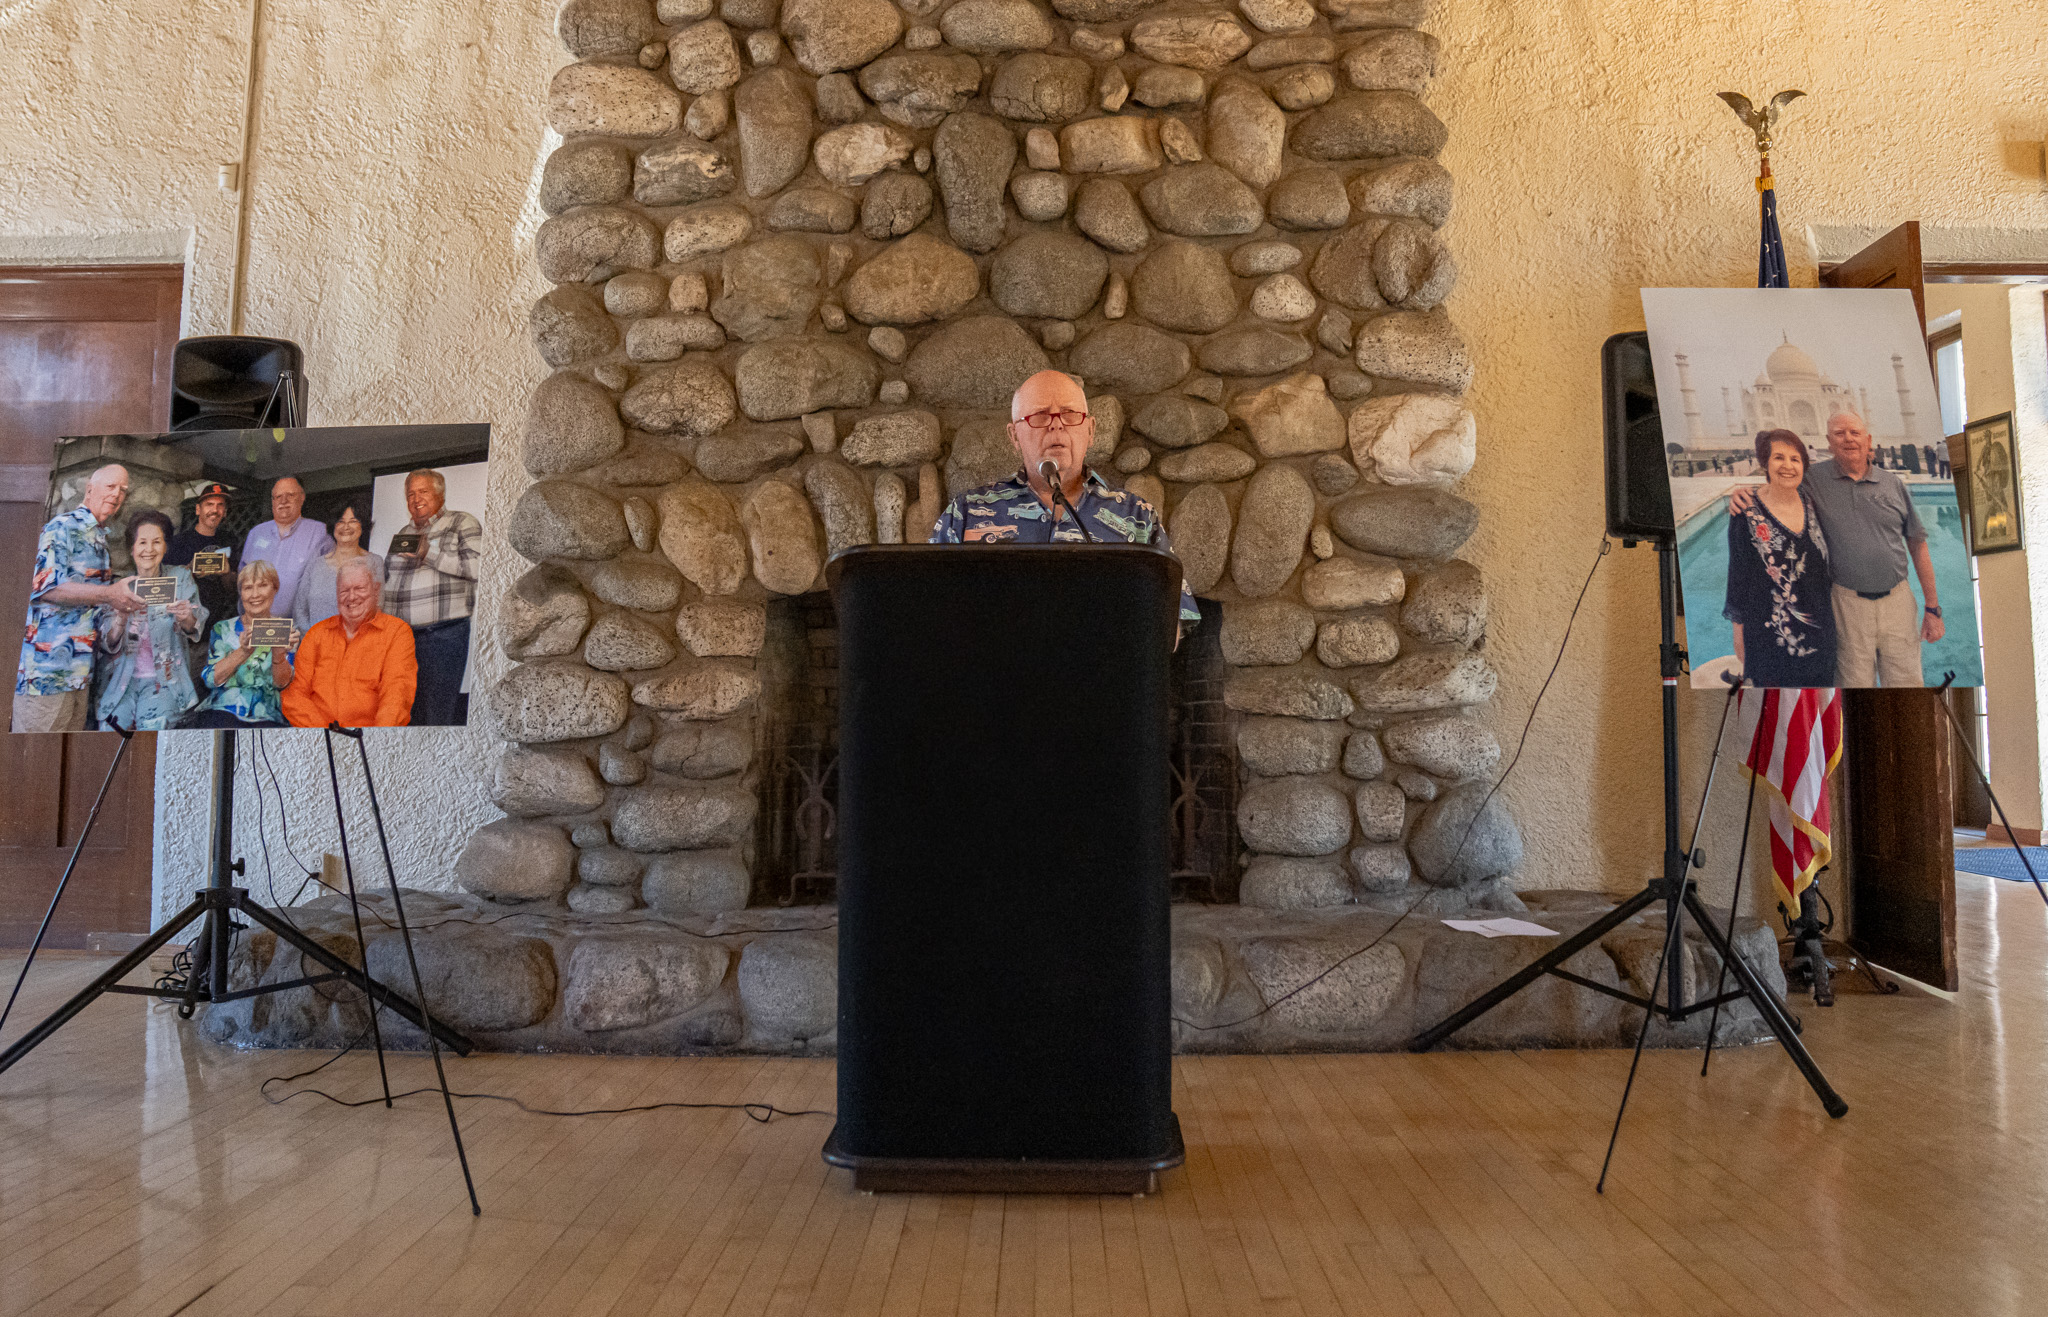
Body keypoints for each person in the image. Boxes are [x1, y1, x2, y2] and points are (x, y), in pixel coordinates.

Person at [929, 370, 1202, 637]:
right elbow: (930, 612)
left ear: (1091, 430)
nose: (1056, 424)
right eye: (1039, 415)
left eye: (1070, 415)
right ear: (1014, 436)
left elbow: (1173, 623)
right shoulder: (966, 514)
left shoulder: (1137, 515)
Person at [1732, 410, 1942, 686]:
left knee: (1907, 683)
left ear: (1868, 440)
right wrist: (1745, 491)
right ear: (1829, 442)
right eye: (1840, 434)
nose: (1849, 439)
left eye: (1855, 433)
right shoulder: (1813, 480)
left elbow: (1917, 543)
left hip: (1898, 603)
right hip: (1847, 605)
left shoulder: (1893, 485)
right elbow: (1782, 482)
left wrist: (1933, 608)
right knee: (1854, 684)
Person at [13, 465, 144, 732]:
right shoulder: (62, 527)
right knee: (34, 763)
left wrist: (119, 611)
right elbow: (45, 588)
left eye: (123, 490)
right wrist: (110, 593)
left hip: (80, 676)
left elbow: (94, 608)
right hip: (45, 677)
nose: (117, 494)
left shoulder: (99, 538)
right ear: (89, 489)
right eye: (111, 486)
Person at [1724, 431, 1835, 688]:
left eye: (1795, 459)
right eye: (1779, 457)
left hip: (1820, 633)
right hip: (1768, 637)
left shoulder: (1812, 503)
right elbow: (1738, 574)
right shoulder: (1746, 511)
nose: (1787, 466)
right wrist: (1738, 632)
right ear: (1765, 462)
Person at [381, 468, 481, 726]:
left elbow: (478, 568)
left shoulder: (462, 522)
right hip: (402, 641)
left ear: (440, 493)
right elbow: (389, 583)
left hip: (442, 637)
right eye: (410, 494)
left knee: (437, 715)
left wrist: (429, 553)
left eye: (423, 491)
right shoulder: (403, 532)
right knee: (405, 714)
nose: (416, 499)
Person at [95, 509, 208, 730]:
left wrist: (186, 616)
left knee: (154, 735)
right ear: (132, 548)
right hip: (119, 683)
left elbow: (195, 627)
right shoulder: (120, 586)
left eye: (157, 542)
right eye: (142, 542)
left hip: (166, 682)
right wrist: (120, 616)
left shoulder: (179, 578)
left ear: (165, 547)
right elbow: (107, 643)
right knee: (110, 733)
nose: (149, 549)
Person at [283, 559, 417, 728]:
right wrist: (325, 735)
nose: (351, 597)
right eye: (344, 590)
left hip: (370, 739)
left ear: (376, 590)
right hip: (319, 737)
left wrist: (376, 740)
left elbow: (397, 695)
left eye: (359, 588)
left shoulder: (397, 632)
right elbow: (294, 694)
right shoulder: (317, 634)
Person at [192, 559, 296, 729]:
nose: (255, 594)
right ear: (241, 593)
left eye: (262, 585)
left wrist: (278, 655)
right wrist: (243, 652)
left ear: (275, 589)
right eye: (248, 587)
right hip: (222, 711)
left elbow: (282, 684)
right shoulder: (223, 629)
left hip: (266, 716)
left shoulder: (285, 630)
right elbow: (210, 680)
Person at [240, 476, 333, 618]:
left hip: (298, 628)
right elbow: (242, 577)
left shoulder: (319, 531)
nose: (283, 501)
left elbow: (331, 581)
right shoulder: (256, 533)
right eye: (278, 496)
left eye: (290, 495)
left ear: (302, 498)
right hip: (256, 626)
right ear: (272, 502)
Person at [290, 499, 383, 633]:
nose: (346, 527)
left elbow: (377, 609)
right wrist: (312, 638)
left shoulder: (374, 562)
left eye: (353, 521)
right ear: (333, 526)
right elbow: (299, 609)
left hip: (357, 647)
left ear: (363, 526)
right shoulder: (316, 564)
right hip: (316, 646)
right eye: (340, 521)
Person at [165, 482, 241, 635]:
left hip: (217, 626)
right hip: (184, 628)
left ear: (225, 512)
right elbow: (165, 588)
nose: (215, 510)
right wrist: (188, 571)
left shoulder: (229, 540)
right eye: (209, 504)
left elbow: (234, 592)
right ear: (198, 509)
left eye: (220, 505)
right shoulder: (179, 542)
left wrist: (227, 574)